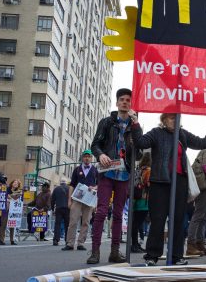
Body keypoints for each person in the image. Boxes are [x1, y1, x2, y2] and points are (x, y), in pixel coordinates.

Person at [134, 112, 206, 266]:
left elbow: (202, 143)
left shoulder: (182, 134)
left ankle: (176, 256)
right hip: (159, 182)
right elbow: (140, 142)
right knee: (158, 219)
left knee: (178, 220)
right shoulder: (156, 133)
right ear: (164, 120)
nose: (175, 121)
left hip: (180, 182)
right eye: (171, 118)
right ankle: (152, 255)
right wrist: (135, 123)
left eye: (177, 118)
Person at [89, 88, 138, 264]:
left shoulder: (134, 126)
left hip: (124, 175)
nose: (125, 102)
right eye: (122, 99)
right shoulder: (106, 122)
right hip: (106, 173)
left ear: (132, 104)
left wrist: (136, 125)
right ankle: (95, 252)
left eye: (128, 100)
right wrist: (100, 155)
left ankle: (115, 252)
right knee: (101, 211)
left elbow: (138, 153)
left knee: (118, 214)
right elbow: (95, 144)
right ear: (117, 103)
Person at [64, 149, 98, 251]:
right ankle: (70, 243)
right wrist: (69, 200)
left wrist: (95, 188)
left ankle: (81, 243)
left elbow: (100, 185)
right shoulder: (77, 169)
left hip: (89, 200)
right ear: (82, 158)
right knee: (73, 221)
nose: (87, 158)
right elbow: (71, 185)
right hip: (77, 199)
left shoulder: (95, 171)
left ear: (91, 158)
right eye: (85, 156)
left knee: (86, 222)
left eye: (89, 156)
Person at [130, 152, 151, 253]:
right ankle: (134, 245)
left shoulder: (139, 169)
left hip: (136, 199)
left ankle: (135, 244)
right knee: (137, 223)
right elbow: (148, 184)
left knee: (135, 223)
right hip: (144, 199)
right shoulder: (148, 171)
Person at [51, 178, 70, 247]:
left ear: (60, 182)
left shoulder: (56, 189)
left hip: (58, 208)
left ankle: (56, 240)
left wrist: (52, 209)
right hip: (67, 209)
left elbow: (52, 199)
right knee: (67, 225)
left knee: (57, 224)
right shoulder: (69, 189)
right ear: (66, 182)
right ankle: (67, 240)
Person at [6, 179, 23, 245]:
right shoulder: (7, 189)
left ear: (18, 185)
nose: (15, 183)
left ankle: (12, 240)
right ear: (12, 183)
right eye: (14, 182)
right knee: (3, 223)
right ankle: (0, 239)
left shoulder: (19, 191)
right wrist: (11, 196)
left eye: (17, 183)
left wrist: (11, 196)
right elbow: (7, 196)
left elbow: (17, 198)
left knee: (12, 224)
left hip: (13, 209)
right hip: (7, 208)